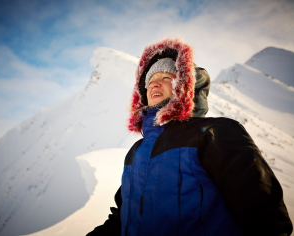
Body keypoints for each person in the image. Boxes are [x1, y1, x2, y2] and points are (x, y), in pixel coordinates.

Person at [87, 37, 293, 236]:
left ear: (183, 86)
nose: (154, 84)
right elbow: (122, 219)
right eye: (150, 80)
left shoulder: (214, 132)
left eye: (166, 78)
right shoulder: (136, 152)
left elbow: (265, 215)